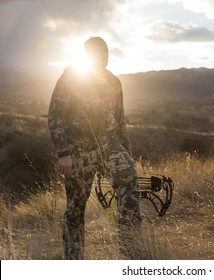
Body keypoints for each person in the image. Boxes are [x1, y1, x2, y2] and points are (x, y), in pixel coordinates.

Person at [48, 37, 141, 260]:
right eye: (99, 52)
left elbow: (120, 121)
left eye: (106, 52)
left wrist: (127, 153)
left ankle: (131, 254)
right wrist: (64, 152)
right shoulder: (71, 77)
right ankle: (74, 260)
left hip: (110, 145)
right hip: (79, 148)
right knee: (75, 207)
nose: (104, 56)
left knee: (129, 180)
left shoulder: (114, 82)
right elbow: (55, 116)